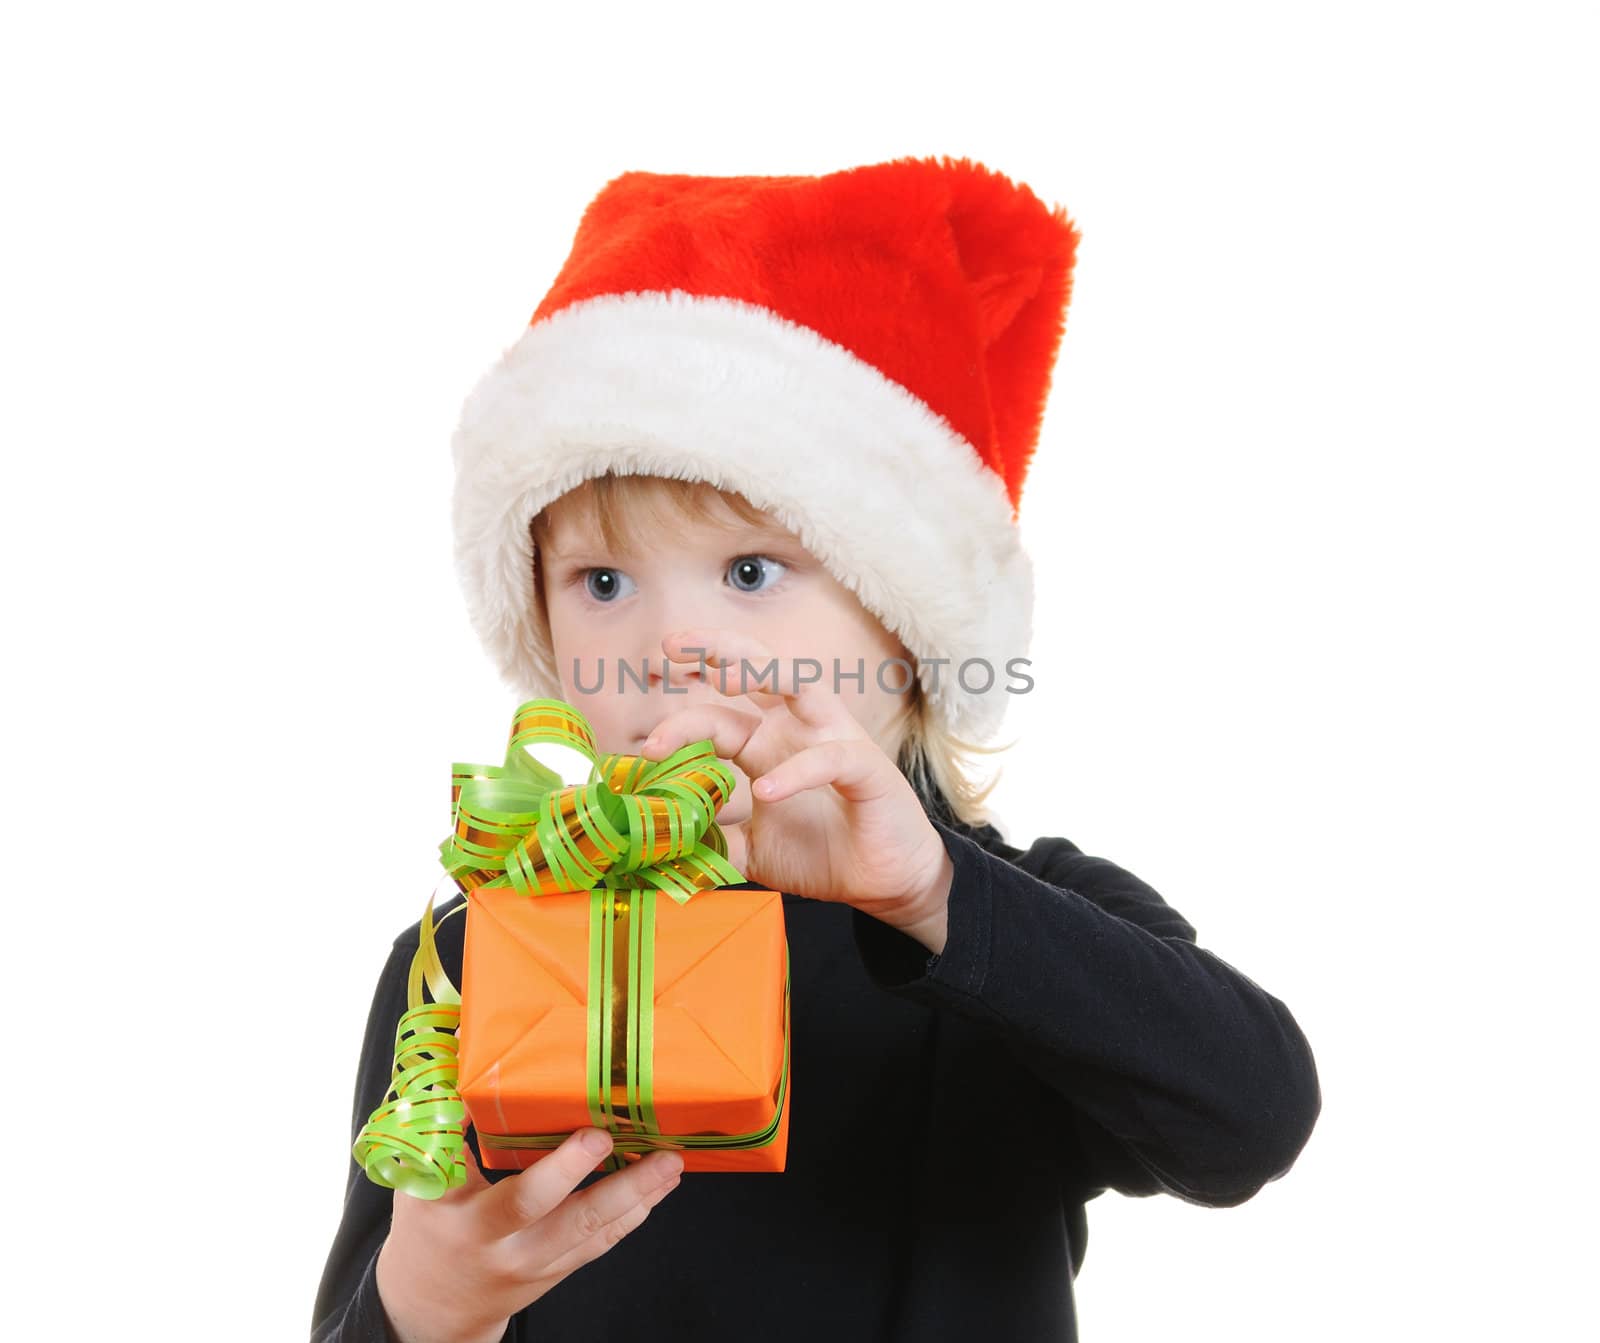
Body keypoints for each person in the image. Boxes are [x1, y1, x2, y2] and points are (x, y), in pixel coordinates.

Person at [310, 155, 1321, 1343]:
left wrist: (935, 895)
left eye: (749, 570)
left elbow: (1252, 1117)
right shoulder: (476, 954)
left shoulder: (1015, 923)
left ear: (905, 623)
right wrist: (423, 1310)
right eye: (600, 580)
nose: (669, 645)